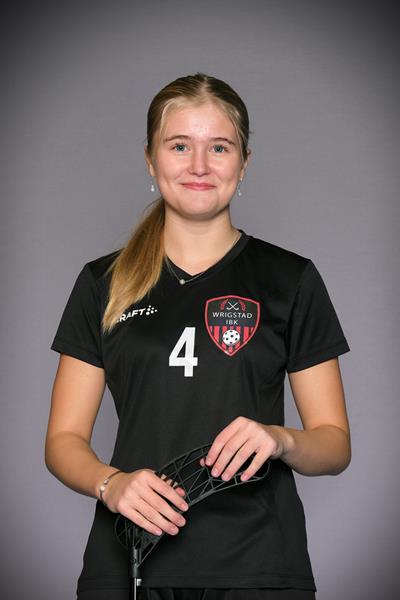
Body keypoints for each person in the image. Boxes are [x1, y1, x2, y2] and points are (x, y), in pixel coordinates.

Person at [45, 72, 351, 600]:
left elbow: (334, 444)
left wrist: (281, 439)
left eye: (220, 147)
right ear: (150, 159)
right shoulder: (102, 283)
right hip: (129, 562)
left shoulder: (290, 278)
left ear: (244, 162)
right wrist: (109, 483)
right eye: (180, 145)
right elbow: (62, 440)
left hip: (259, 566)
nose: (200, 166)